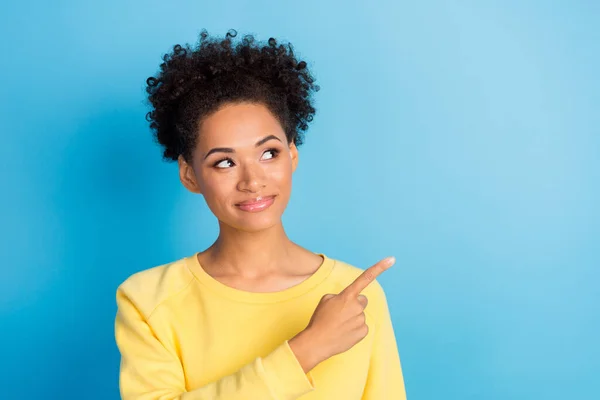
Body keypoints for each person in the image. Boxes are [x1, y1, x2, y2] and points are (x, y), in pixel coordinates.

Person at [114, 29, 407, 400]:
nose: (252, 180)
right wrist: (306, 350)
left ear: (292, 155)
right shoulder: (147, 300)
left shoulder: (355, 297)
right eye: (224, 162)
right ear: (190, 175)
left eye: (269, 153)